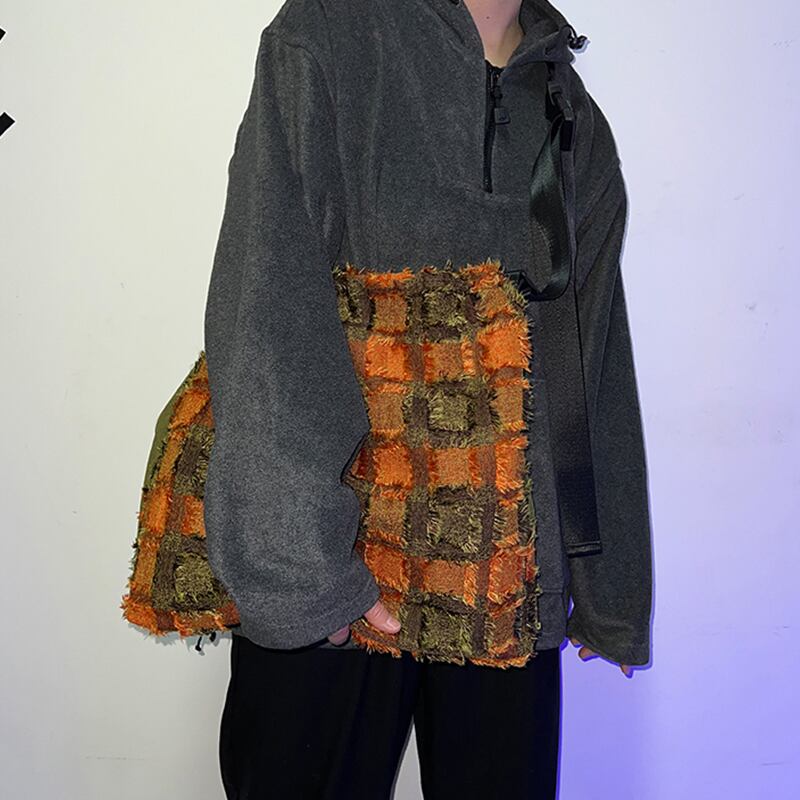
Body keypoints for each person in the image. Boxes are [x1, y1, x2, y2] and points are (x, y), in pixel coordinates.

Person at [202, 0, 653, 797]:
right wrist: (305, 581)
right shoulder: (330, 35)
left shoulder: (571, 114)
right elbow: (267, 307)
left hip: (505, 574)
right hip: (343, 568)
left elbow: (593, 358)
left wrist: (605, 587)